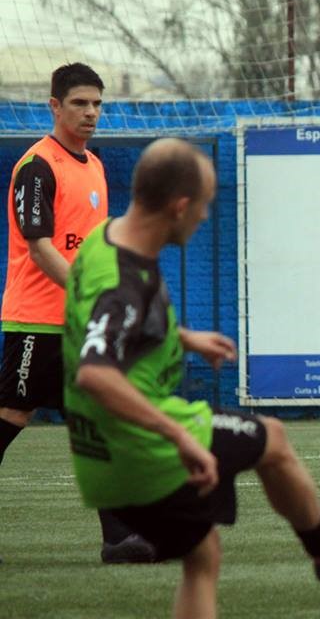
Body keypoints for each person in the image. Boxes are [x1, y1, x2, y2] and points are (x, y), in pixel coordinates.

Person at [63, 138, 320, 617]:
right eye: (203, 206)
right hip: (143, 447)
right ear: (179, 206)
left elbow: (108, 324)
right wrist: (179, 436)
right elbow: (95, 373)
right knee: (274, 438)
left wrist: (183, 337)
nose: (204, 217)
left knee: (202, 555)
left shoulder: (102, 240)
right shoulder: (125, 280)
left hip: (96, 453)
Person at [0, 62, 155, 563]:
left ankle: (120, 539)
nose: (90, 113)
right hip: (36, 323)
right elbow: (41, 247)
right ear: (54, 106)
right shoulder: (37, 166)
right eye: (79, 104)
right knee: (11, 417)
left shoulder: (93, 166)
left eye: (96, 104)